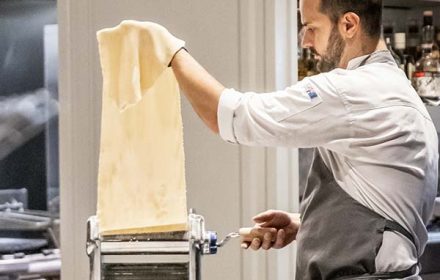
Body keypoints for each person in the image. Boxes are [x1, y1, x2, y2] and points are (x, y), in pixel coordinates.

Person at [145, 0, 438, 278]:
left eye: (312, 27)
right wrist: (308, 224)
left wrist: (171, 51)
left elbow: (233, 116)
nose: (305, 41)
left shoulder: (352, 90)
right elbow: (391, 205)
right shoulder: (399, 91)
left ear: (349, 25)